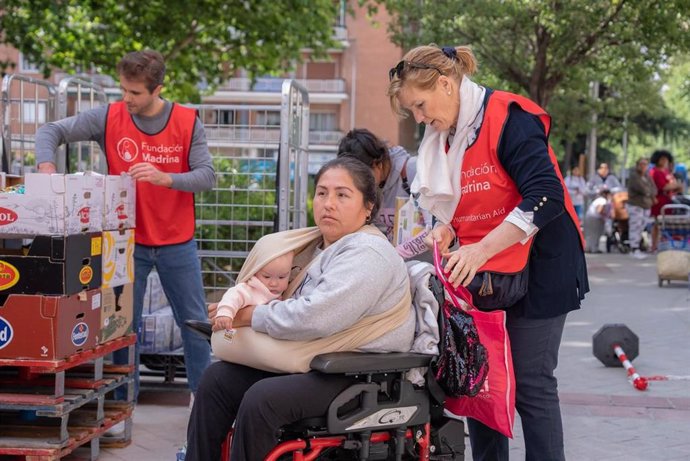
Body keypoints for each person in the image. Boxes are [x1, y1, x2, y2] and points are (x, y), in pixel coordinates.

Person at [387, 44, 588, 460]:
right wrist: (446, 230)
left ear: (446, 83)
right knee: (482, 377)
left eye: (421, 106)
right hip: (485, 271)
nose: (420, 119)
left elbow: (545, 195)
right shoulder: (445, 137)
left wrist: (478, 251)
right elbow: (461, 203)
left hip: (543, 263)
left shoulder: (510, 118)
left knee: (532, 384)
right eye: (413, 112)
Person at [185, 157, 416, 461]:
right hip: (315, 360)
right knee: (217, 380)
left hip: (357, 372)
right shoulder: (318, 247)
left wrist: (250, 316)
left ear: (368, 207)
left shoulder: (368, 253)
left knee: (262, 400)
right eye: (321, 193)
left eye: (342, 195)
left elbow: (315, 316)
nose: (328, 203)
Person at [34, 50, 214, 402]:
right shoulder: (109, 116)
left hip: (178, 241)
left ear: (157, 88)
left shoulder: (188, 121)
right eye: (123, 90)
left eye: (135, 93)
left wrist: (166, 178)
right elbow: (50, 131)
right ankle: (122, 406)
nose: (127, 99)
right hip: (125, 242)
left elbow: (207, 176)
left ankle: (204, 401)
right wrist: (45, 167)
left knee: (194, 324)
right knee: (120, 328)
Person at [336, 128, 430, 258]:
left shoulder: (416, 171)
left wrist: (393, 255)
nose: (360, 183)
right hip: (395, 270)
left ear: (378, 165)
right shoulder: (366, 190)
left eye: (363, 176)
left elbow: (434, 230)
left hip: (430, 269)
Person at [213, 250, 293, 333]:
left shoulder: (286, 292)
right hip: (240, 336)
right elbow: (233, 296)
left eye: (281, 277)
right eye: (266, 277)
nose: (274, 283)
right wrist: (225, 313)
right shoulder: (250, 289)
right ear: (254, 272)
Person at [649, 149, 683, 251]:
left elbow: (673, 185)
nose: (664, 161)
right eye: (662, 159)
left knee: (665, 224)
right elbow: (663, 186)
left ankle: (661, 243)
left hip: (669, 199)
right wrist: (675, 185)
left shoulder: (667, 172)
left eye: (666, 159)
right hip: (659, 201)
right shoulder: (655, 172)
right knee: (657, 223)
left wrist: (676, 187)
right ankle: (654, 245)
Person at [625, 158, 656, 258]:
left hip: (646, 205)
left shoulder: (647, 176)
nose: (643, 167)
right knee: (635, 226)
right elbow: (641, 189)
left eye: (645, 164)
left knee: (642, 227)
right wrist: (649, 192)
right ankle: (634, 248)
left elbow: (654, 189)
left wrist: (650, 193)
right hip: (636, 205)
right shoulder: (634, 176)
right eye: (641, 164)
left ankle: (638, 245)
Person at [584, 189, 613, 253]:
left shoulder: (598, 199)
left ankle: (588, 248)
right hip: (595, 218)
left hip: (589, 217)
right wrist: (605, 216)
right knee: (596, 234)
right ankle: (594, 249)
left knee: (590, 234)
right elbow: (599, 210)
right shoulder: (603, 200)